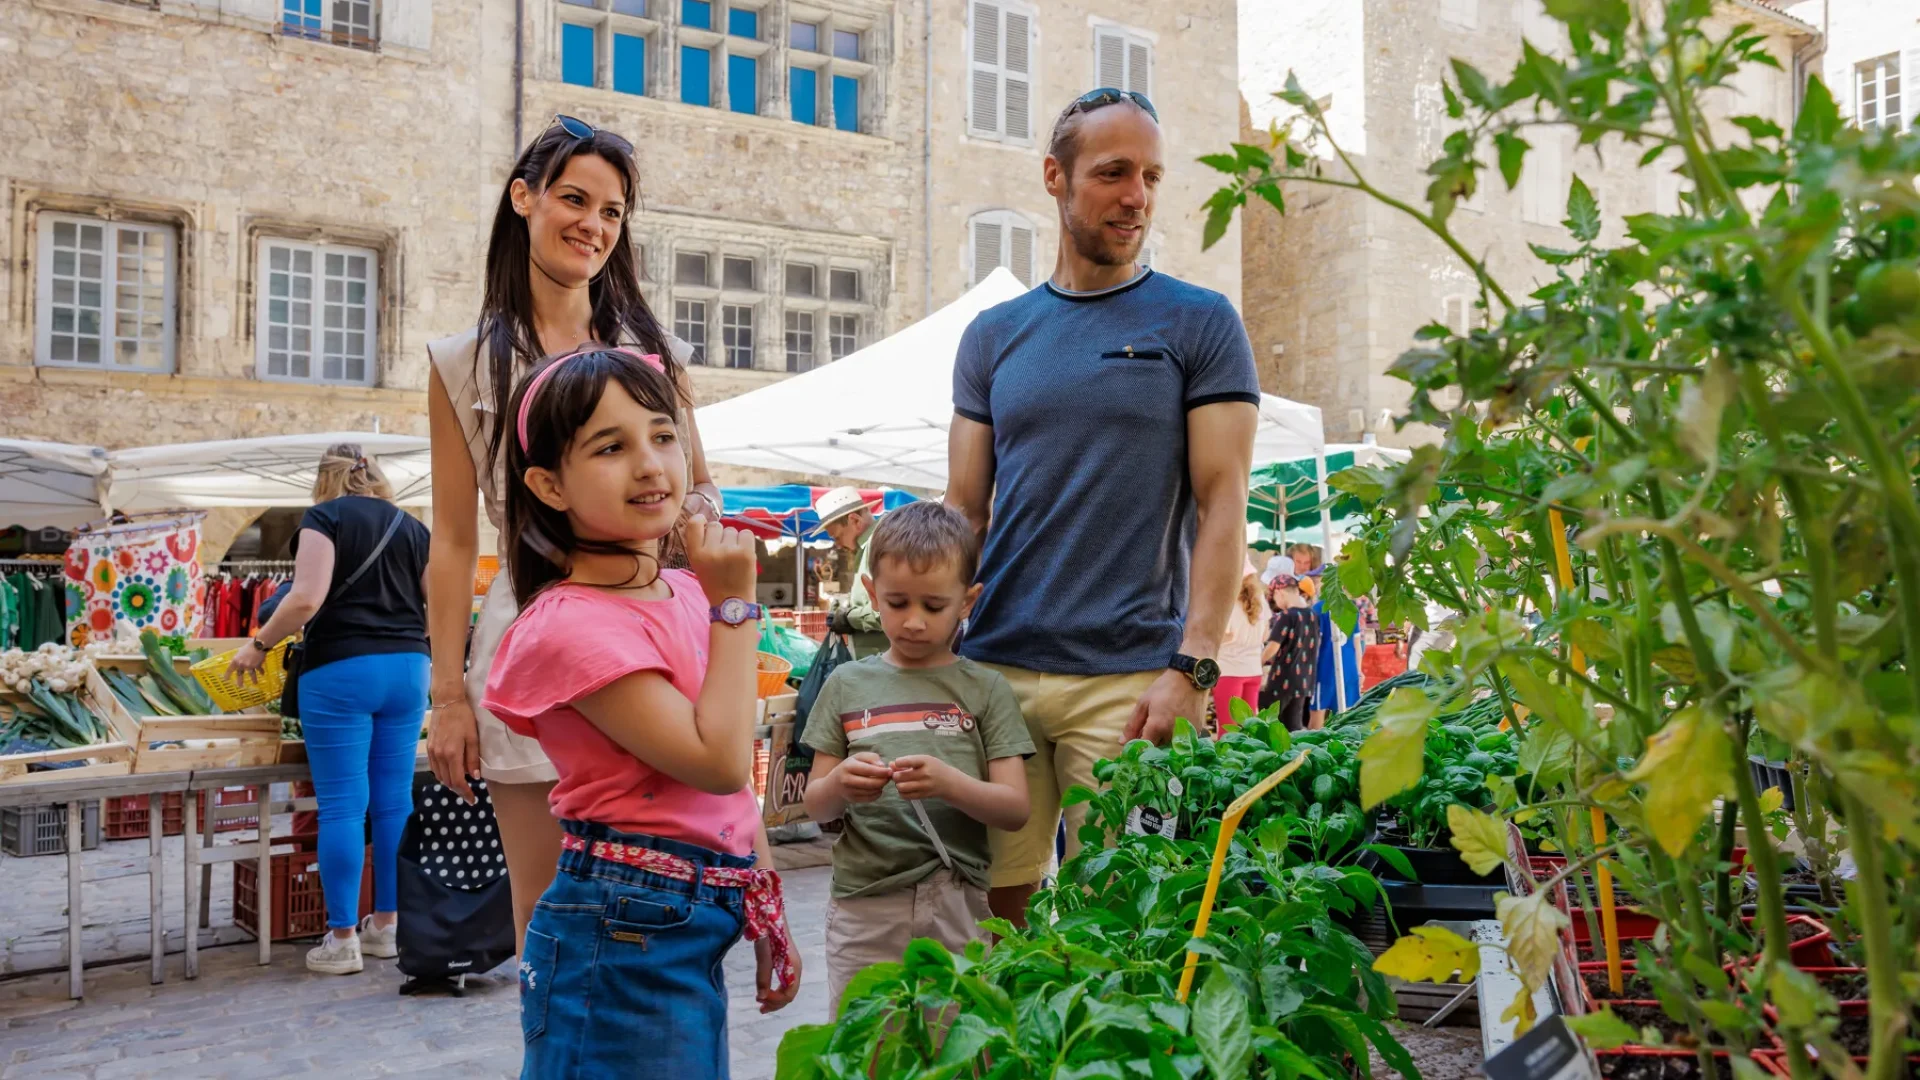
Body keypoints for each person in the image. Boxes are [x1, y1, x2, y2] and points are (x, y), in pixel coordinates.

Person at [945, 88, 1260, 926]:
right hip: (996, 675)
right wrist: (931, 662)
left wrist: (1194, 666)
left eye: (1152, 176)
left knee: (1123, 930)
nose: (1138, 197)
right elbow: (963, 513)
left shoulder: (1200, 322)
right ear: (1055, 176)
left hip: (1130, 684)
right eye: (1113, 172)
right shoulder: (992, 335)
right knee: (990, 928)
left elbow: (1225, 501)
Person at [423, 115, 725, 954]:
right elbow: (451, 540)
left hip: (649, 627)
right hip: (532, 632)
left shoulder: (650, 350)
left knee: (666, 898)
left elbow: (702, 490)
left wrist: (709, 584)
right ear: (523, 199)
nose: (593, 224)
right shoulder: (463, 362)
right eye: (573, 199)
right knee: (547, 921)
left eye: (614, 211)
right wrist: (447, 698)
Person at [479, 347, 798, 1077]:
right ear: (548, 485)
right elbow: (717, 761)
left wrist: (766, 903)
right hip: (623, 927)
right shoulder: (569, 625)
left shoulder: (684, 594)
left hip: (688, 915)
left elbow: (735, 795)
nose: (652, 465)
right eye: (611, 447)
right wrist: (737, 604)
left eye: (663, 435)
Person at [800, 502, 1032, 1015]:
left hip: (958, 901)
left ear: (968, 601)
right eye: (897, 601)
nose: (914, 622)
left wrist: (950, 783)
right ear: (869, 592)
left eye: (934, 606)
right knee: (867, 1048)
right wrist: (840, 783)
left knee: (953, 1044)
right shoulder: (846, 684)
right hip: (865, 903)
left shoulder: (985, 689)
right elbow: (815, 807)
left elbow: (1015, 808)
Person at [229, 444, 431, 975]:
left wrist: (259, 644)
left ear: (325, 480)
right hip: (410, 669)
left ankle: (342, 938)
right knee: (393, 803)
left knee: (343, 805)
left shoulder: (324, 518)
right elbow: (437, 604)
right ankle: (387, 926)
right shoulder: (413, 527)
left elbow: (304, 598)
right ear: (375, 478)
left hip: (342, 668)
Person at [814, 486, 888, 657]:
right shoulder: (867, 548)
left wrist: (848, 618)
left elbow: (891, 611)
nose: (838, 545)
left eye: (837, 537)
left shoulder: (881, 546)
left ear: (855, 521)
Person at [1213, 558, 1268, 728]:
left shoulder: (1227, 601)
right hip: (1253, 669)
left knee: (1228, 728)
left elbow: (1223, 635)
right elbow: (1265, 635)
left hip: (1230, 669)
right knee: (1248, 729)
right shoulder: (1260, 599)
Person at [1260, 575, 1319, 731]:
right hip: (1304, 679)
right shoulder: (1312, 615)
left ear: (1280, 592)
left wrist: (1258, 663)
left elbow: (1273, 646)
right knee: (1293, 726)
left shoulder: (1287, 616)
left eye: (1274, 599)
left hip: (1283, 679)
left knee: (1266, 722)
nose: (1276, 605)